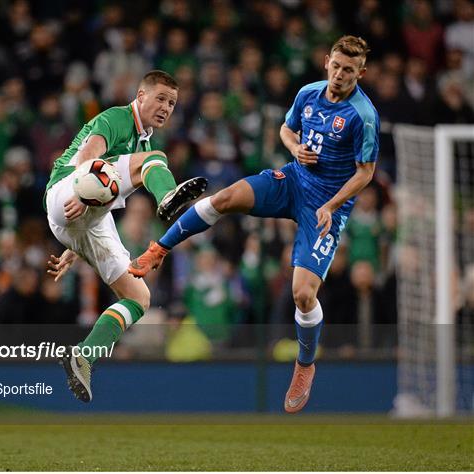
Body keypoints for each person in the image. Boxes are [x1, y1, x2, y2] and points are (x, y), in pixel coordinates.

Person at [129, 37, 380, 413]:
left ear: (361, 72)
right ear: (326, 61)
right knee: (225, 197)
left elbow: (366, 173)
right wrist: (295, 150)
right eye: (336, 66)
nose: (340, 75)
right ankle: (159, 248)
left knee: (303, 295)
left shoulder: (364, 115)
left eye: (349, 70)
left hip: (326, 206)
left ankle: (305, 365)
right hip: (294, 180)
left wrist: (331, 204)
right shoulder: (309, 93)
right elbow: (285, 130)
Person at [45, 70, 207, 402]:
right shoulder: (118, 118)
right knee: (154, 161)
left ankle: (84, 356)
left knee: (139, 297)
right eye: (160, 98)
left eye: (172, 103)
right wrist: (80, 192)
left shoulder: (143, 140)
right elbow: (90, 154)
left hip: (84, 217)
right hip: (68, 189)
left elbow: (102, 196)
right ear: (141, 95)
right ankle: (166, 196)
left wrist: (74, 245)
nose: (166, 107)